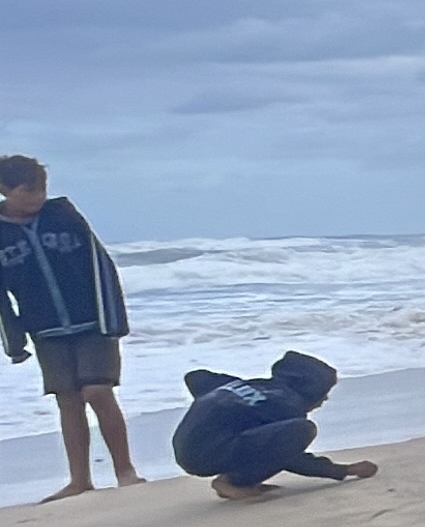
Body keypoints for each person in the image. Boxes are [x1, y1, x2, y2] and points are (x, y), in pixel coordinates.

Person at [0, 155, 143, 503]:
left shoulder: (62, 215)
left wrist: (113, 319)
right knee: (68, 400)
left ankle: (125, 471)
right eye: (27, 191)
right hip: (44, 329)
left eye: (41, 189)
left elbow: (100, 263)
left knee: (96, 391)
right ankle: (80, 480)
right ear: (4, 190)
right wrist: (13, 339)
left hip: (93, 322)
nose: (37, 197)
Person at [171, 351, 378, 500]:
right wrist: (343, 470)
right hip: (205, 456)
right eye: (324, 393)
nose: (324, 400)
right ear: (310, 391)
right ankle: (233, 482)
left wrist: (225, 404)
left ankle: (232, 466)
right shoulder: (287, 405)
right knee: (303, 430)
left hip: (184, 444)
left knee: (251, 432)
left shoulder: (250, 384)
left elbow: (195, 377)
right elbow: (290, 456)